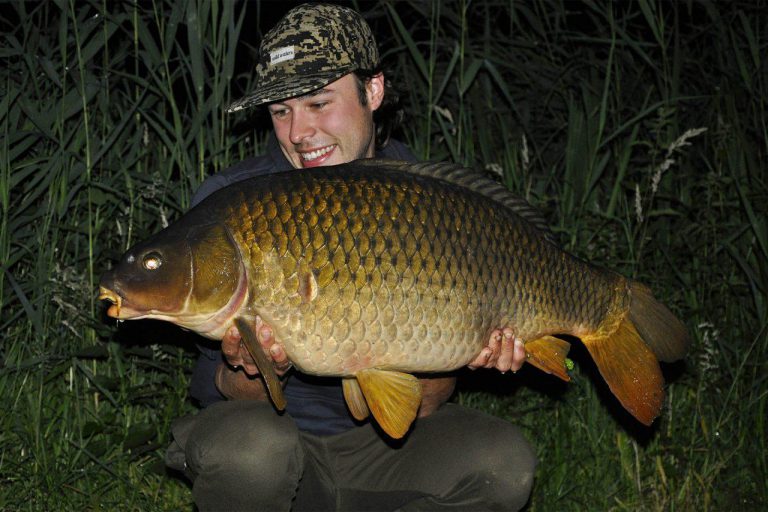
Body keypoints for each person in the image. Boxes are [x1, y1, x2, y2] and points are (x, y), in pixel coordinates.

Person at [165, 4, 536, 511]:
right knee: (250, 451)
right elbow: (220, 390)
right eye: (280, 111)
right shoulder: (236, 202)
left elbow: (421, 405)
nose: (298, 132)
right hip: (277, 442)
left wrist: (466, 347)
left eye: (319, 103)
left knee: (502, 462)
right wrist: (249, 366)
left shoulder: (425, 197)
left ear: (373, 91)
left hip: (382, 452)